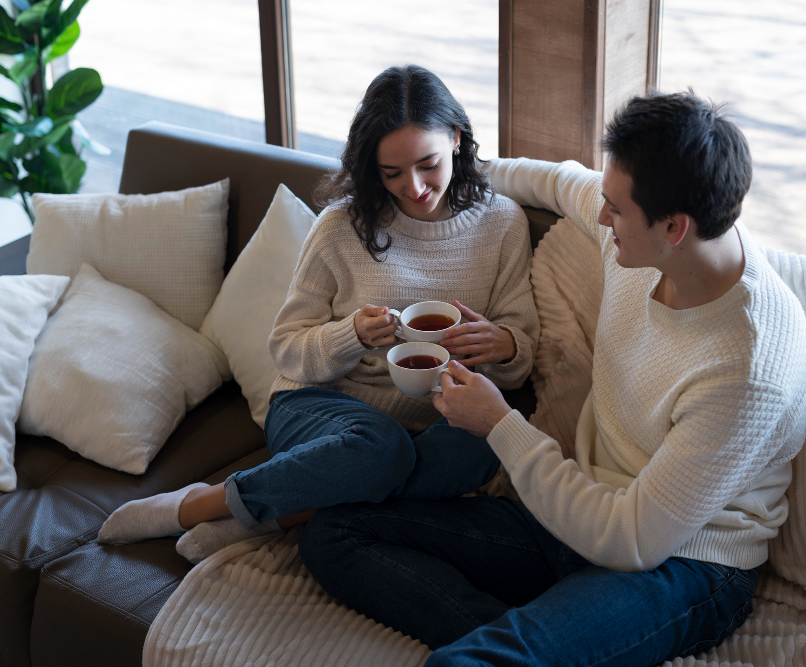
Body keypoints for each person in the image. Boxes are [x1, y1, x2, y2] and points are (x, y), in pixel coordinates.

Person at [299, 90, 806, 665]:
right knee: (333, 533)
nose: (600, 216)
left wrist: (500, 424)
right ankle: (547, 642)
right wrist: (441, 165)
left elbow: (631, 540)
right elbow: (558, 180)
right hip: (574, 511)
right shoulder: (645, 244)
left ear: (674, 227)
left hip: (681, 561)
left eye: (615, 210)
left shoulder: (748, 367)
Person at [96, 64, 539, 564]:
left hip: (436, 420)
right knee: (380, 448)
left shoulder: (502, 223)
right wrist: (350, 335)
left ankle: (282, 512)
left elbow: (521, 349)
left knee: (484, 447)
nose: (413, 187)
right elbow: (286, 349)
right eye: (391, 173)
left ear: (456, 138)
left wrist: (504, 345)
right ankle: (200, 502)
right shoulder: (340, 227)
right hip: (319, 408)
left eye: (428, 164)